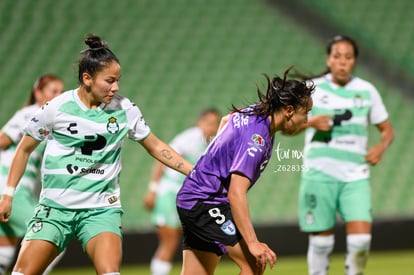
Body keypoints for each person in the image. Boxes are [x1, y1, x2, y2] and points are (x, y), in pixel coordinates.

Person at [0, 34, 193, 275]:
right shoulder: (57, 108)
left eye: (118, 80)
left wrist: (194, 172)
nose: (116, 87)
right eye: (110, 81)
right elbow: (24, 149)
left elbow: (156, 146)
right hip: (55, 209)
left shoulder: (125, 109)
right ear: (87, 78)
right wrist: (8, 194)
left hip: (101, 209)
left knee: (110, 272)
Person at [176, 66, 315, 275]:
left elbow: (226, 120)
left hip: (195, 198)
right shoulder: (256, 140)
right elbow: (236, 193)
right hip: (205, 202)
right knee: (254, 264)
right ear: (288, 110)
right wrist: (253, 243)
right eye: (305, 113)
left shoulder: (257, 111)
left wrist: (216, 156)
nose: (306, 120)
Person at [296, 35, 395, 275]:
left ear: (354, 62)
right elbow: (288, 126)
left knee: (361, 240)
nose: (342, 62)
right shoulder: (313, 89)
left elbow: (387, 130)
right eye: (337, 56)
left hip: (355, 175)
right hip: (319, 172)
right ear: (329, 60)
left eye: (348, 57)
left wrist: (380, 147)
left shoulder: (367, 91)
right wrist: (311, 123)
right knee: (321, 243)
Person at [0, 74, 65, 275]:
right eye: (53, 91)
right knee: (49, 235)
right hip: (9, 190)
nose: (58, 96)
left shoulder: (49, 118)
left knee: (5, 245)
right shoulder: (31, 114)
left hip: (18, 190)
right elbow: (2, 139)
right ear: (38, 93)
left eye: (61, 92)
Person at [143, 108, 220, 275]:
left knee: (186, 240)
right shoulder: (191, 137)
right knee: (169, 242)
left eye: (215, 124)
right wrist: (152, 190)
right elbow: (162, 159)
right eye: (208, 123)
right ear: (199, 122)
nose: (212, 127)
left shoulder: (209, 143)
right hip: (169, 192)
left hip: (183, 197)